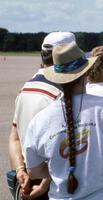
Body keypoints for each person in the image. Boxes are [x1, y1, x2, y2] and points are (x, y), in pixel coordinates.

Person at [23, 42, 103, 200]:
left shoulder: (40, 120)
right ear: (86, 72)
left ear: (57, 79)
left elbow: (34, 171)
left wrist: (60, 169)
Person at [8, 32, 76, 199]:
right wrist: (44, 184)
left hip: (26, 180)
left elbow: (14, 138)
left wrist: (20, 171)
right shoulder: (61, 94)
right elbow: (62, 149)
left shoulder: (25, 89)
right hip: (52, 184)